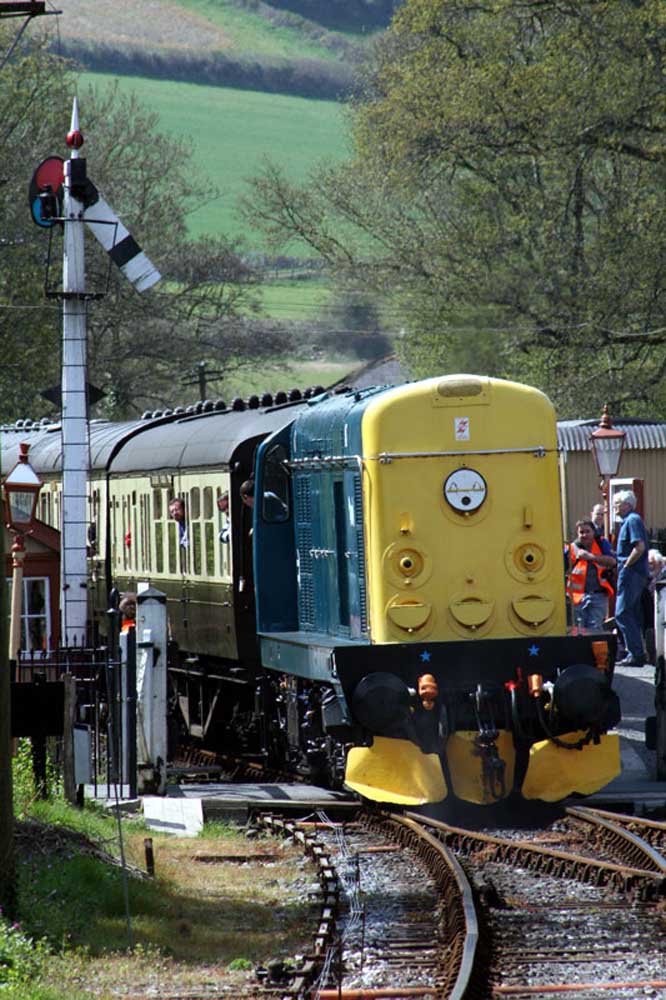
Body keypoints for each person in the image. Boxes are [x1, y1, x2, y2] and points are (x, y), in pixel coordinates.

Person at [613, 490, 649, 666]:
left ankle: (635, 653)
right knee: (632, 613)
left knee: (622, 612)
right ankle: (637, 652)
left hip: (631, 572)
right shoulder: (631, 520)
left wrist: (626, 565)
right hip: (634, 572)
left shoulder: (632, 520)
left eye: (617, 503)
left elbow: (639, 547)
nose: (614, 507)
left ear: (627, 504)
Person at [565, 519, 616, 631]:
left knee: (596, 630)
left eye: (588, 531)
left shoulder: (602, 543)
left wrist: (590, 557)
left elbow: (613, 561)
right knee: (578, 631)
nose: (585, 535)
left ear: (593, 532)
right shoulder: (571, 548)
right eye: (581, 532)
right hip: (577, 598)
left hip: (598, 595)